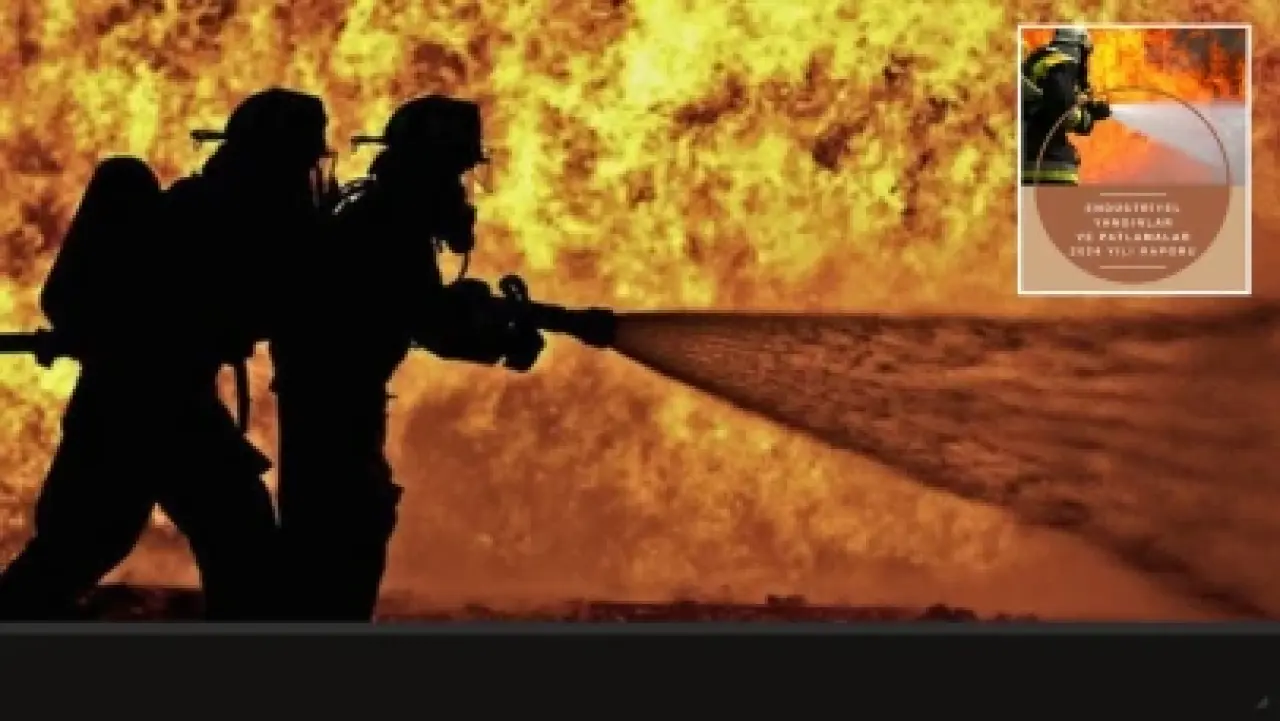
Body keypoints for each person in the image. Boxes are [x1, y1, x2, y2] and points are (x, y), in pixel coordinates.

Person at [0, 88, 332, 620]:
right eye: (298, 162)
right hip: (148, 408)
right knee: (228, 541)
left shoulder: (219, 212)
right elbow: (254, 305)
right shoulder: (214, 220)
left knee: (84, 550)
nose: (306, 177)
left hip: (149, 407)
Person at [269, 95, 547, 620]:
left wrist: (470, 309)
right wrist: (502, 342)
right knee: (343, 541)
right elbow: (430, 324)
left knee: (335, 537)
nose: (461, 190)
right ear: (428, 169)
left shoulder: (379, 216)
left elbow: (408, 307)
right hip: (335, 406)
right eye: (454, 173)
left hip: (331, 400)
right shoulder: (389, 226)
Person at [1021, 26, 1112, 186]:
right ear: (1078, 47)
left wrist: (1089, 108)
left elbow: (1045, 103)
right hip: (1050, 166)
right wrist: (1086, 118)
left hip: (1028, 160)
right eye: (1085, 53)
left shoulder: (1037, 62)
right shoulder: (1061, 62)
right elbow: (1061, 108)